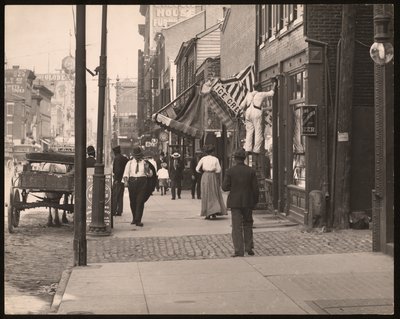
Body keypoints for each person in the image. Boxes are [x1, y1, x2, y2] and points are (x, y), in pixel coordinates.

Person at [222, 148, 259, 257]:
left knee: (236, 226)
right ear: (244, 158)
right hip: (248, 201)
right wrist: (255, 201)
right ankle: (249, 247)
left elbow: (224, 187)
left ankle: (238, 250)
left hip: (235, 202)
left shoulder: (230, 171)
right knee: (248, 224)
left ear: (234, 159)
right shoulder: (251, 171)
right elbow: (255, 189)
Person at [239, 79, 277, 167]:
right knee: (258, 131)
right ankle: (256, 150)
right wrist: (274, 84)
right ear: (259, 87)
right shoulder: (261, 93)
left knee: (249, 131)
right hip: (256, 112)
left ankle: (248, 149)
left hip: (248, 112)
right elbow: (271, 93)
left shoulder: (248, 94)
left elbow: (241, 105)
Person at [123, 146, 154, 227]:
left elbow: (150, 175)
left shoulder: (145, 163)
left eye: (139, 156)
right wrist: (126, 182)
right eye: (136, 156)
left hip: (142, 183)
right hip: (132, 182)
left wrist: (147, 169)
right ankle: (134, 217)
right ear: (133, 155)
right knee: (133, 201)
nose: (137, 158)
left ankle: (138, 220)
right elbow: (126, 173)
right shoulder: (129, 163)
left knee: (140, 201)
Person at [195, 144, 227, 219]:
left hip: (205, 176)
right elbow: (219, 170)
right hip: (213, 176)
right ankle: (214, 212)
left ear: (206, 152)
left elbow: (197, 169)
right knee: (214, 193)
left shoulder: (203, 159)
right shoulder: (215, 159)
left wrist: (202, 172)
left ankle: (207, 213)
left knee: (205, 193)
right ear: (212, 152)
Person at [111, 145, 129, 216]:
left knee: (115, 195)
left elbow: (117, 170)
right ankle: (119, 210)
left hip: (118, 179)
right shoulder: (124, 158)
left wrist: (116, 179)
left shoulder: (117, 158)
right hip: (122, 179)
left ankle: (114, 210)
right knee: (120, 196)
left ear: (115, 152)